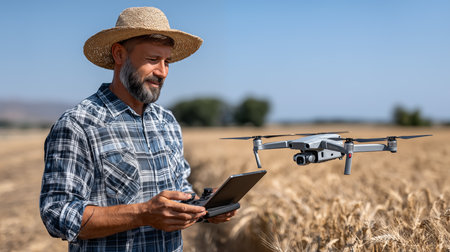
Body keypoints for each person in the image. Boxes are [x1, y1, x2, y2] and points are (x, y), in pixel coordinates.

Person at [40, 7, 236, 251]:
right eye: (153, 60)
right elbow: (57, 214)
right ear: (119, 54)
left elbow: (179, 190)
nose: (162, 72)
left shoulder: (167, 123)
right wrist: (143, 214)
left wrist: (205, 206)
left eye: (167, 62)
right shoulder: (78, 124)